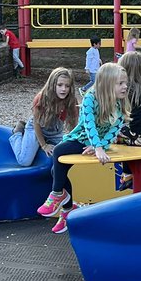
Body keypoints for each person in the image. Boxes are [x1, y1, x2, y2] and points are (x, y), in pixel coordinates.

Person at [38, 62, 128, 234]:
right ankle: (64, 206)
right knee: (57, 160)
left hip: (96, 143)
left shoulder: (119, 105)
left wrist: (99, 147)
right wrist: (97, 146)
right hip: (81, 138)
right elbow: (89, 124)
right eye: (121, 83)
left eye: (125, 83)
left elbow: (114, 130)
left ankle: (59, 197)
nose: (125, 87)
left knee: (57, 168)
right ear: (107, 84)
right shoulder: (90, 98)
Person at [10, 67, 80, 166]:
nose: (63, 89)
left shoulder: (71, 100)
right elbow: (36, 123)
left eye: (67, 86)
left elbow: (74, 124)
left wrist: (75, 141)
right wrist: (44, 145)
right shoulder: (41, 98)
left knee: (68, 151)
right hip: (36, 128)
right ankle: (17, 133)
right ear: (52, 85)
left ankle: (38, 144)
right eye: (60, 85)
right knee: (24, 161)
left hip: (54, 132)